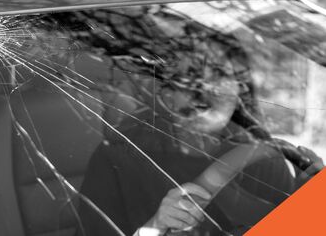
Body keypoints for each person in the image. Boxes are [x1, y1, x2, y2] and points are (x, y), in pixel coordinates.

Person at [76, 36, 324, 236]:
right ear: (166, 94)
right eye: (189, 75)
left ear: (239, 88)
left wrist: (309, 205)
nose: (204, 88)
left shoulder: (264, 158)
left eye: (218, 73)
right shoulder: (120, 157)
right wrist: (156, 226)